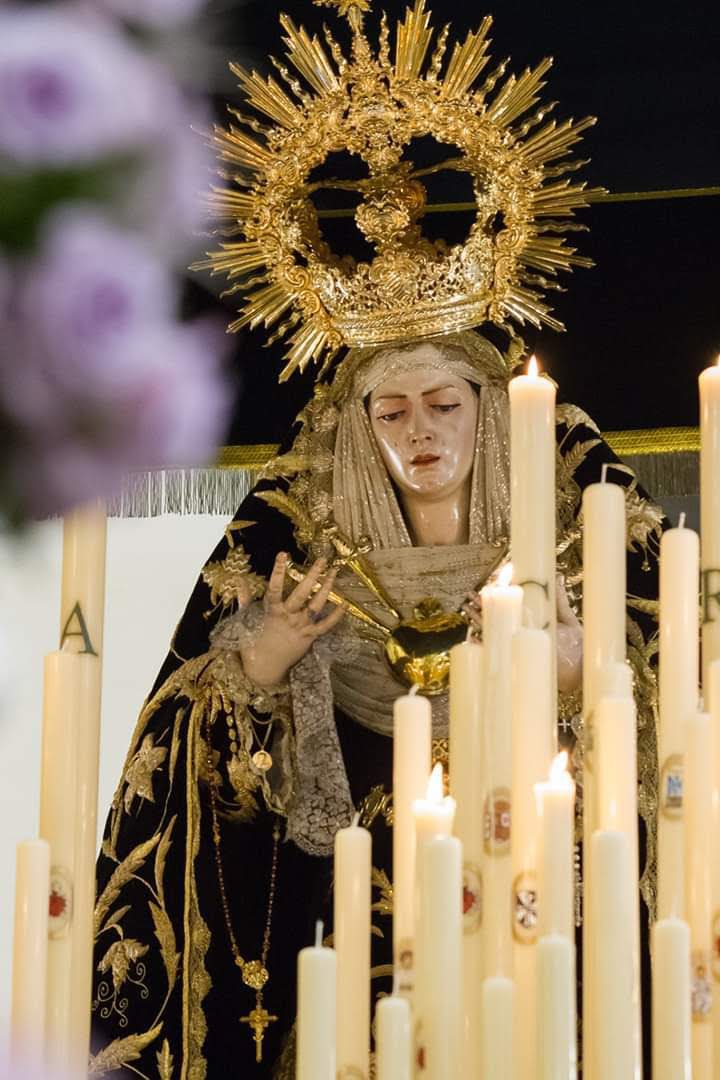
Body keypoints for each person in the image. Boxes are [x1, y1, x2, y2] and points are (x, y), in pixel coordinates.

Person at [90, 330, 662, 1078]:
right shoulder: (306, 592)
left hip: (535, 912)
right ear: (359, 434)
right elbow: (202, 765)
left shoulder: (572, 577)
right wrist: (263, 666)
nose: (419, 429)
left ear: (491, 415)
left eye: (443, 404)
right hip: (356, 940)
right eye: (390, 412)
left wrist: (576, 677)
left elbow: (669, 734)